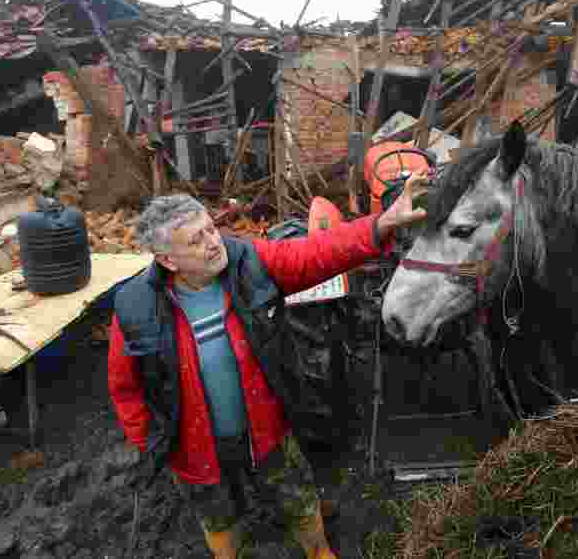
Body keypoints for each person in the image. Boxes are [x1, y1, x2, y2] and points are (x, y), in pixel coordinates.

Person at [107, 171, 429, 558]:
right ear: (167, 259)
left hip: (267, 427)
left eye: (211, 229)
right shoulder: (135, 308)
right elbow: (125, 388)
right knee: (219, 518)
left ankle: (320, 552)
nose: (214, 243)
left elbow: (314, 253)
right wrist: (155, 443)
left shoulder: (247, 262)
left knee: (297, 497)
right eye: (197, 240)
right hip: (195, 447)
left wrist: (382, 224)